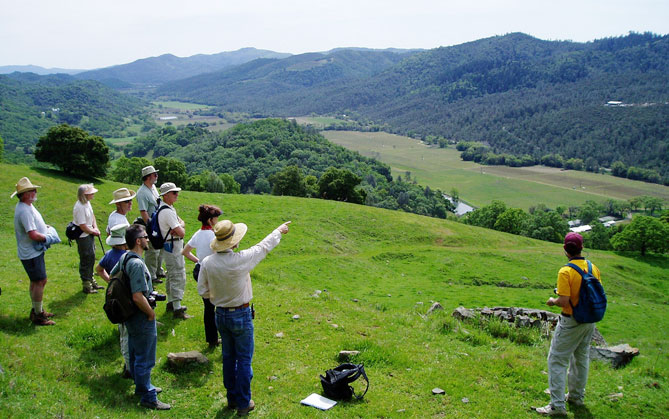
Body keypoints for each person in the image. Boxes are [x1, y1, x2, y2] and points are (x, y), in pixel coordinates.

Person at [198, 219, 291, 415]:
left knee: (228, 357)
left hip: (220, 314)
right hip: (240, 313)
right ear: (234, 241)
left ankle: (232, 398)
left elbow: (202, 291)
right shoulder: (240, 260)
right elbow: (262, 247)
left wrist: (219, 296)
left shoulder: (207, 262)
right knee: (244, 359)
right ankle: (243, 402)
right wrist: (278, 231)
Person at [536, 232, 602, 416]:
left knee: (557, 360)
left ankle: (557, 406)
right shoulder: (593, 268)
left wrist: (553, 300)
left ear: (565, 249)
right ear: (581, 248)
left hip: (571, 320)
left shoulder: (566, 271)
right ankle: (576, 397)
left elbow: (564, 301)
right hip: (589, 320)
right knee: (581, 358)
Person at [109, 224, 170, 410]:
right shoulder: (136, 264)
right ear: (138, 241)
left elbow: (112, 276)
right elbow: (137, 296)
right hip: (140, 315)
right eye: (145, 237)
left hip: (130, 315)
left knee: (135, 352)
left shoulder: (125, 257)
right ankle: (147, 396)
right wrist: (150, 313)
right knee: (145, 356)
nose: (148, 239)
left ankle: (142, 385)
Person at [12, 177, 57, 326]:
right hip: (30, 253)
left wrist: (45, 228)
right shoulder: (24, 210)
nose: (35, 192)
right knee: (39, 281)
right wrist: (48, 238)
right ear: (25, 194)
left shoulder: (27, 206)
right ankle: (38, 315)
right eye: (32, 190)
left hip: (32, 251)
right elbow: (32, 234)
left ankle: (37, 310)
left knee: (38, 281)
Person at [182, 204, 222, 347]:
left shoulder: (198, 234)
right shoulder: (214, 235)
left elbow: (185, 252)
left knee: (208, 307)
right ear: (210, 220)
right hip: (212, 272)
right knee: (219, 305)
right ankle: (221, 335)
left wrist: (198, 261)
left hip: (200, 271)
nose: (217, 221)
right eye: (216, 218)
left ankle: (212, 338)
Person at [95, 222, 131, 379]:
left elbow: (98, 269)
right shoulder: (126, 257)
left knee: (121, 325)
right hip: (126, 296)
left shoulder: (109, 254)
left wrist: (110, 281)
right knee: (127, 330)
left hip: (114, 294)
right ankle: (129, 365)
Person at [157, 182, 190, 319]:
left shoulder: (167, 208)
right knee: (177, 273)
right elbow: (182, 232)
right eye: (174, 193)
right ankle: (177, 308)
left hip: (170, 244)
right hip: (174, 244)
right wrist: (180, 227)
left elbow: (182, 223)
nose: (177, 195)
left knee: (171, 273)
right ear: (165, 195)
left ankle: (171, 302)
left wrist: (180, 225)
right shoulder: (167, 211)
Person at [136, 166, 165, 284]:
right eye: (154, 174)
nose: (156, 176)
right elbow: (143, 212)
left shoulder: (153, 188)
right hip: (152, 225)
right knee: (152, 251)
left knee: (160, 248)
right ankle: (151, 275)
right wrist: (151, 227)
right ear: (148, 177)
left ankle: (158, 270)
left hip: (158, 223)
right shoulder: (142, 193)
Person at [73, 184, 103, 294]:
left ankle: (91, 280)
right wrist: (93, 231)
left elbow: (92, 216)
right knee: (86, 258)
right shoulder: (79, 207)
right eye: (91, 193)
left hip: (89, 234)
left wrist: (96, 227)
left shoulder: (87, 203)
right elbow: (83, 226)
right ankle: (86, 285)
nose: (93, 194)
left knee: (91, 257)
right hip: (83, 236)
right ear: (85, 195)